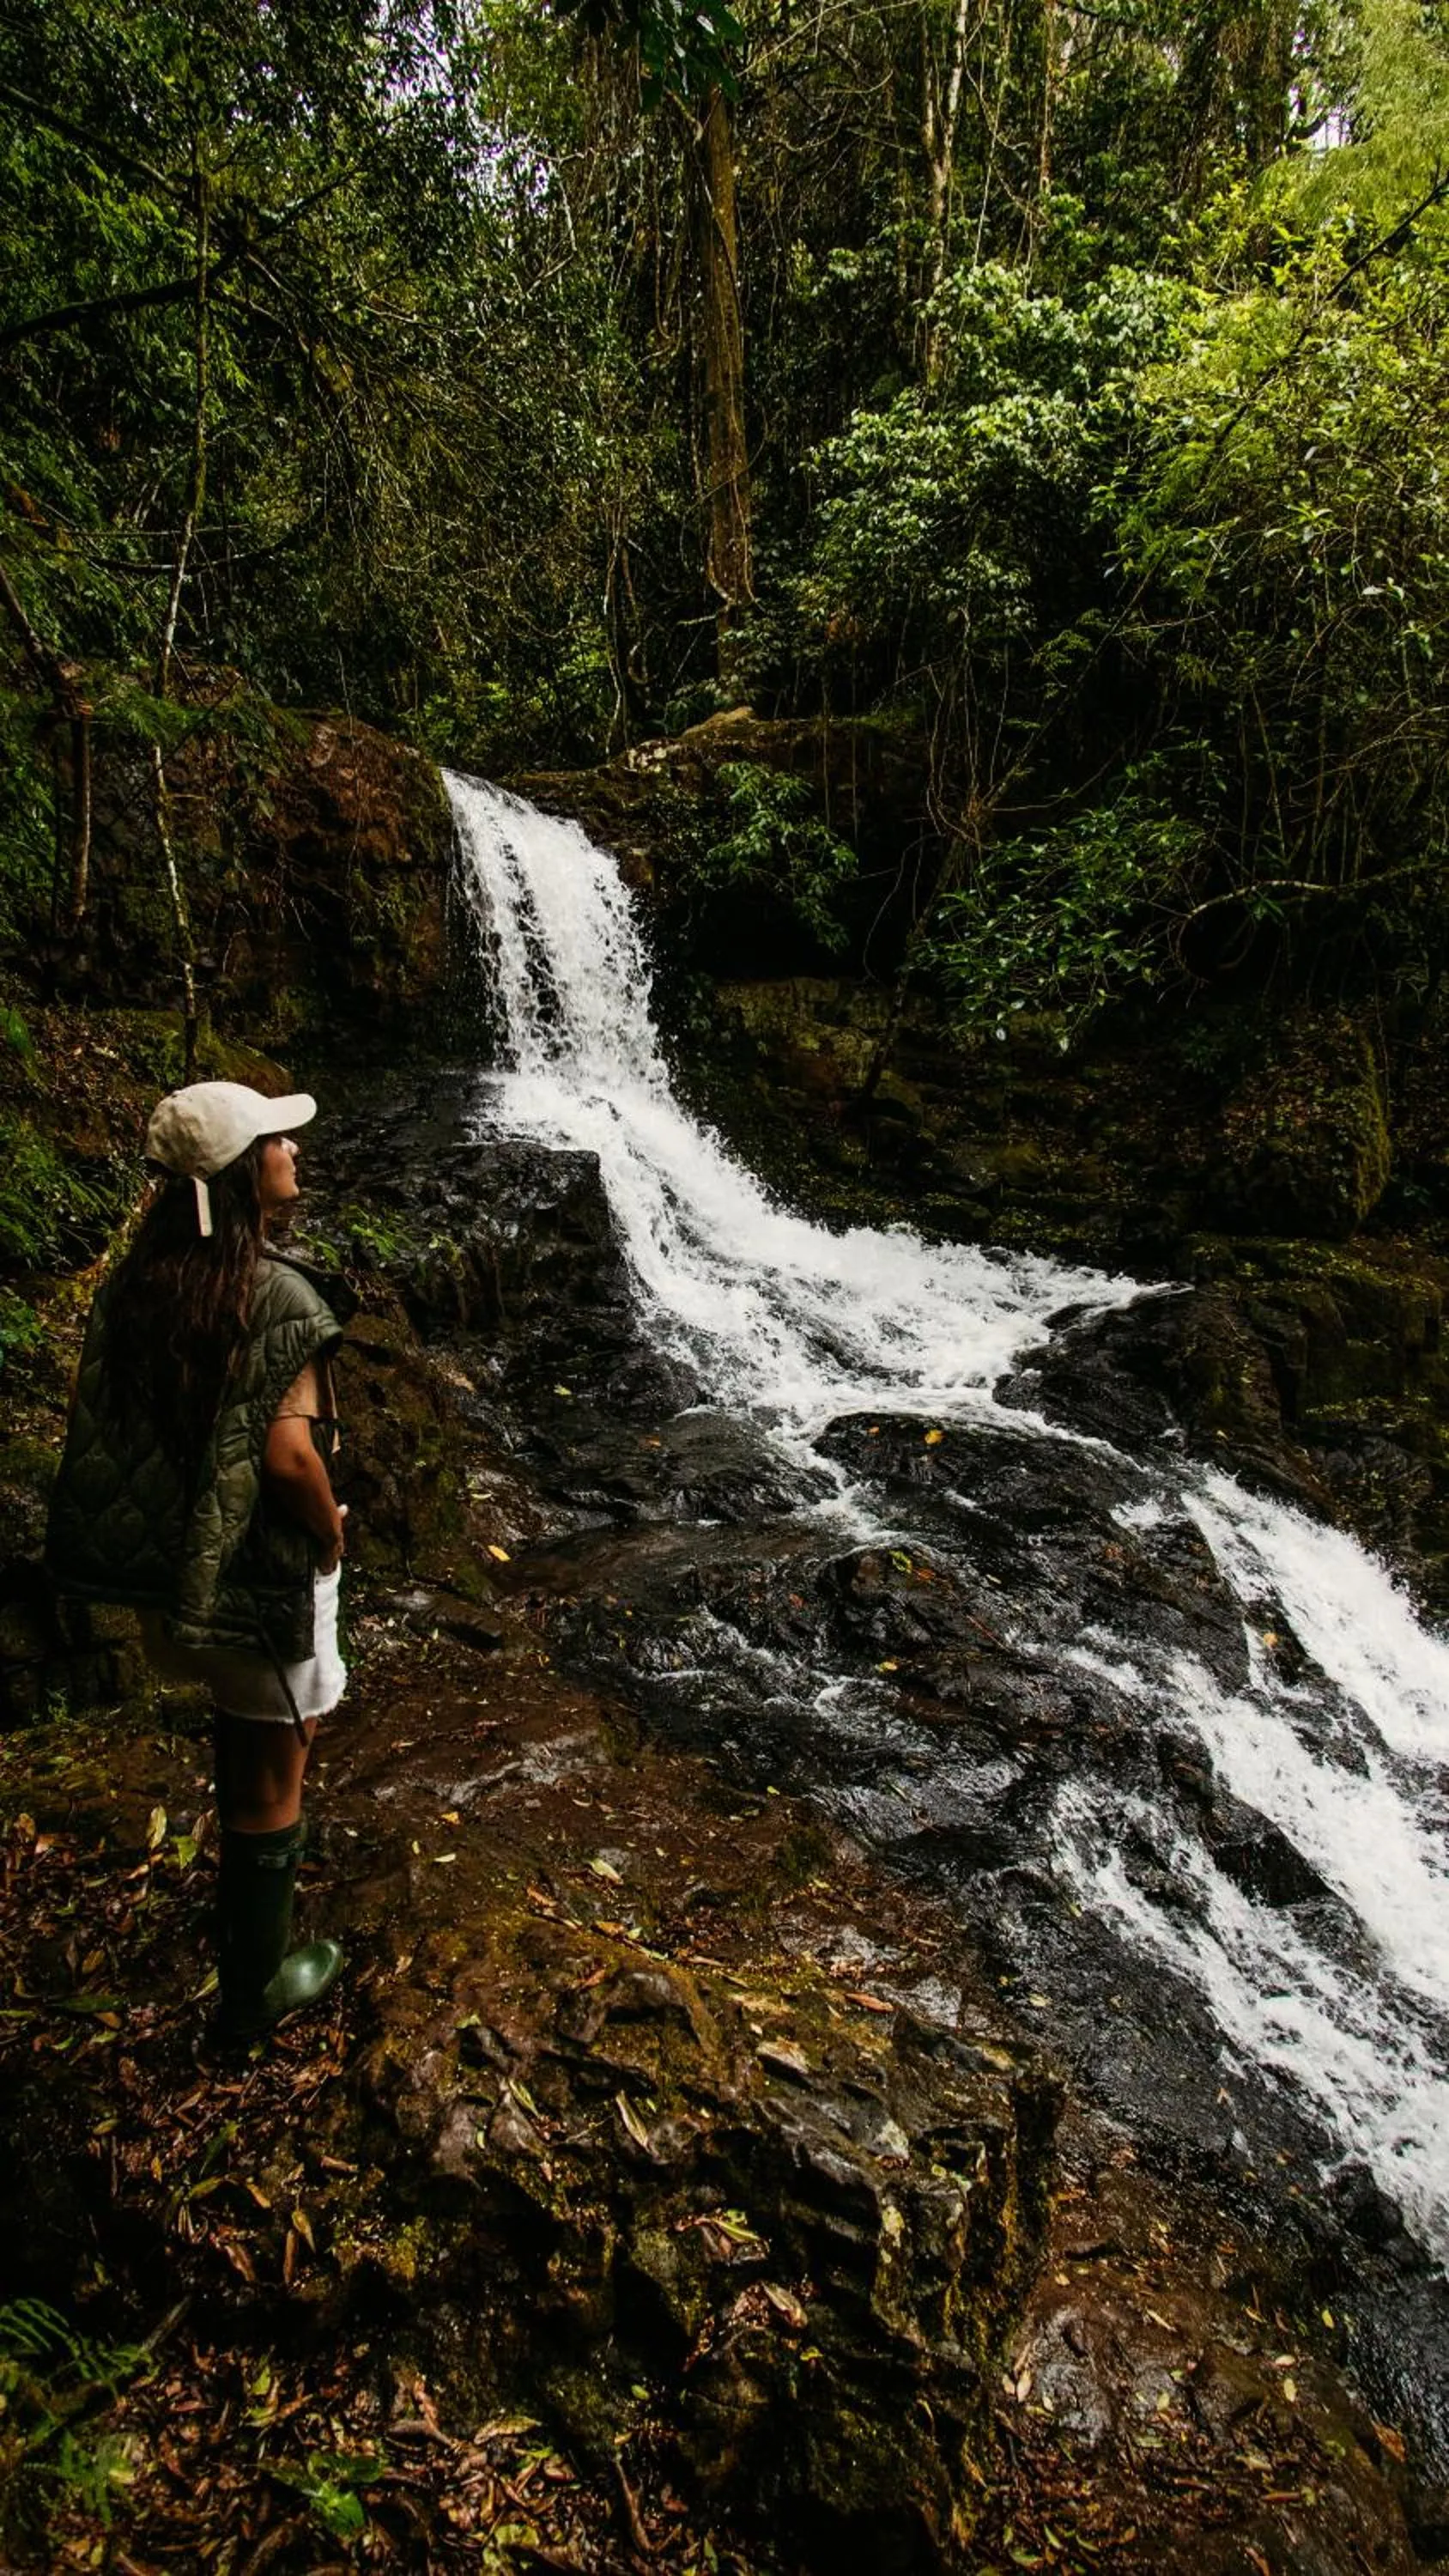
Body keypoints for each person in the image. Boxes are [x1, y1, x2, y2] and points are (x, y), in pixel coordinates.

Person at [46, 1079, 351, 2041]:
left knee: (239, 1739)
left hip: (185, 1567)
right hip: (258, 1567)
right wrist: (331, 1530)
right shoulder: (274, 1297)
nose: (293, 1151)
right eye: (275, 1141)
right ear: (237, 1172)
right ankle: (259, 1984)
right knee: (281, 1763)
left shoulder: (146, 1281)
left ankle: (244, 1954)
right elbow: (288, 1454)